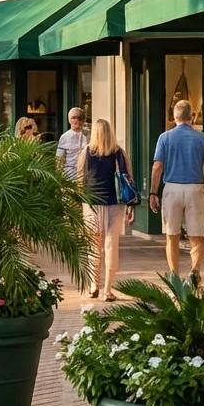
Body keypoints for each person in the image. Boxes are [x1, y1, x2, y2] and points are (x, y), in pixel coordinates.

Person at [149, 99, 204, 287]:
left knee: (171, 235)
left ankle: (174, 276)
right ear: (191, 116)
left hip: (172, 188)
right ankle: (195, 272)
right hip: (195, 189)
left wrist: (153, 192)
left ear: (174, 116)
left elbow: (157, 166)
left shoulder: (165, 137)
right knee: (197, 236)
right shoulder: (202, 138)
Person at [76, 119, 134, 300]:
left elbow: (79, 178)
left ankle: (94, 284)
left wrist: (79, 203)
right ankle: (107, 289)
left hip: (91, 204)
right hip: (114, 204)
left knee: (93, 245)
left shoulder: (86, 152)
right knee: (111, 244)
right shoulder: (118, 153)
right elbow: (127, 179)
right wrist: (131, 205)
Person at [56, 107, 87, 179]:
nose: (77, 121)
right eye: (74, 118)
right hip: (69, 176)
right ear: (69, 120)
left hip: (85, 176)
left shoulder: (87, 136)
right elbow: (59, 159)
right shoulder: (65, 137)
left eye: (80, 118)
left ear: (83, 120)